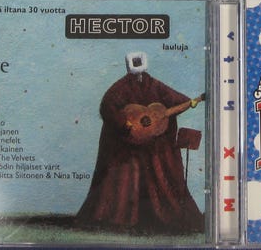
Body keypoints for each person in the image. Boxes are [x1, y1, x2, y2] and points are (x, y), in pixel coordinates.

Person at [76, 52, 205, 234]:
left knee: (159, 176)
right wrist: (124, 123)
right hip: (126, 145)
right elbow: (107, 107)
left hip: (153, 144)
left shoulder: (154, 85)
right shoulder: (120, 87)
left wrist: (192, 102)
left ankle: (159, 218)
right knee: (124, 178)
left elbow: (176, 100)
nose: (138, 72)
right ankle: (118, 219)